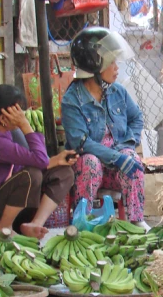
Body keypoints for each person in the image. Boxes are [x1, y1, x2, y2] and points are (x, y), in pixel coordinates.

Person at [0, 84, 76, 238]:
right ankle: (3, 228)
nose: (22, 116)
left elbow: (28, 161)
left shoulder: (1, 131)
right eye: (18, 112)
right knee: (31, 175)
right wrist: (25, 125)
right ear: (3, 117)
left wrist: (55, 161)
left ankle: (35, 223)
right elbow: (36, 162)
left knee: (64, 172)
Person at [61, 27, 146, 222]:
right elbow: (80, 142)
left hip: (114, 168)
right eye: (111, 62)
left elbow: (136, 117)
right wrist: (115, 157)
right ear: (94, 65)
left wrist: (128, 145)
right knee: (89, 161)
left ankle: (136, 223)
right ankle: (84, 222)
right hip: (89, 168)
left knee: (131, 159)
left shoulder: (118, 91)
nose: (117, 67)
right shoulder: (72, 100)